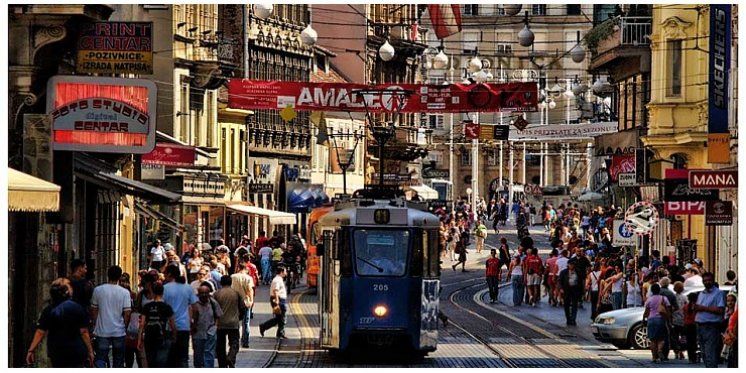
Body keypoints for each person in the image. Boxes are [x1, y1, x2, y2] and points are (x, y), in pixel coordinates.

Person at [26, 278, 94, 367]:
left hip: (56, 351)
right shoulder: (77, 308)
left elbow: (40, 332)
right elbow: (84, 332)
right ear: (67, 292)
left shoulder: (48, 310)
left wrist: (31, 350)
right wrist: (90, 351)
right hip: (75, 350)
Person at [90, 265, 132, 368]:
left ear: (107, 275)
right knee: (118, 360)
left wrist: (96, 323)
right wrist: (124, 326)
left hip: (102, 331)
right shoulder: (125, 292)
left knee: (100, 358)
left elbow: (94, 309)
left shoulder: (98, 290)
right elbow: (127, 313)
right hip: (119, 331)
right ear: (119, 277)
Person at [162, 264, 197, 368]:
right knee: (183, 357)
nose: (164, 275)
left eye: (165, 273)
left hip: (168, 328)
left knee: (169, 357)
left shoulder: (165, 288)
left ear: (169, 274)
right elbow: (195, 307)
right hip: (184, 326)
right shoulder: (188, 288)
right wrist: (193, 323)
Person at [138, 281, 176, 368]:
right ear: (163, 292)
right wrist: (174, 336)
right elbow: (172, 323)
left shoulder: (147, 306)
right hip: (163, 336)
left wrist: (139, 339)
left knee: (151, 361)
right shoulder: (167, 307)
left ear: (153, 292)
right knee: (162, 362)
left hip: (149, 336)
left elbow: (142, 324)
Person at [694, 272, 726, 367]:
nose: (707, 282)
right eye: (705, 281)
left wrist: (703, 308)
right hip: (700, 325)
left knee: (710, 353)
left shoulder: (719, 293)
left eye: (709, 280)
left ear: (713, 280)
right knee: (703, 353)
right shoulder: (701, 293)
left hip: (711, 326)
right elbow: (699, 308)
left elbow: (720, 310)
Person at [192, 284, 223, 368]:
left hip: (210, 332)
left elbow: (218, 315)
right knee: (198, 354)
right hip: (198, 333)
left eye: (206, 293)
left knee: (209, 353)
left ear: (209, 293)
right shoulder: (194, 304)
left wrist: (215, 327)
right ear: (198, 294)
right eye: (202, 293)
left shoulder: (213, 303)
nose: (204, 295)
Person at [214, 276, 242, 368]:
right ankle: (231, 357)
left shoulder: (217, 294)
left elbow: (213, 308)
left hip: (220, 324)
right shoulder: (236, 293)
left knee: (220, 346)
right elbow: (243, 307)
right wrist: (239, 317)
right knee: (234, 343)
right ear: (231, 283)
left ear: (221, 283)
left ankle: (222, 365)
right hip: (233, 323)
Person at [643, 283, 671, 364]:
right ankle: (659, 349)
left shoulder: (649, 299)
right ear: (659, 290)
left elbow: (646, 311)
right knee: (661, 338)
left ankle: (654, 357)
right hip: (660, 319)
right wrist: (669, 319)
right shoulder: (664, 298)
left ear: (651, 290)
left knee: (652, 339)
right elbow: (668, 309)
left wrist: (643, 319)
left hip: (651, 320)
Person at [259, 266, 289, 339]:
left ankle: (264, 327)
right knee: (282, 317)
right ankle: (280, 333)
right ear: (281, 272)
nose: (286, 273)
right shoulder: (277, 280)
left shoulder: (279, 279)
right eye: (285, 271)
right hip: (279, 300)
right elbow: (276, 290)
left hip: (280, 299)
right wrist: (277, 301)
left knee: (279, 318)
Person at [231, 263, 255, 348]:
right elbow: (250, 290)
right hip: (245, 302)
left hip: (235, 302)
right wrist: (251, 301)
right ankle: (245, 342)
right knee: (246, 323)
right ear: (246, 268)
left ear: (238, 268)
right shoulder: (248, 278)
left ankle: (234, 341)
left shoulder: (233, 277)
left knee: (235, 323)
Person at [559, 258, 584, 326]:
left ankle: (573, 319)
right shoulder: (564, 272)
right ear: (568, 265)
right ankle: (568, 319)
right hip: (566, 290)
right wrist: (561, 288)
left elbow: (581, 282)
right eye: (571, 264)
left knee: (574, 305)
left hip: (575, 290)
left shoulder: (578, 272)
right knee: (566, 305)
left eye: (573, 265)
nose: (572, 266)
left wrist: (582, 291)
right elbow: (560, 281)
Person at [671, 281, 687, 360]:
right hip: (683, 319)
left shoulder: (673, 297)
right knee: (683, 336)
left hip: (675, 319)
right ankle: (682, 351)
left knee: (675, 337)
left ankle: (676, 351)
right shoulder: (684, 297)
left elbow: (671, 307)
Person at [682, 292, 699, 363]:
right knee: (694, 341)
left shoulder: (685, 306)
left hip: (687, 325)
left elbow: (684, 315)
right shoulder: (697, 306)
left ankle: (690, 358)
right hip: (694, 325)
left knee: (689, 342)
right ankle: (694, 357)